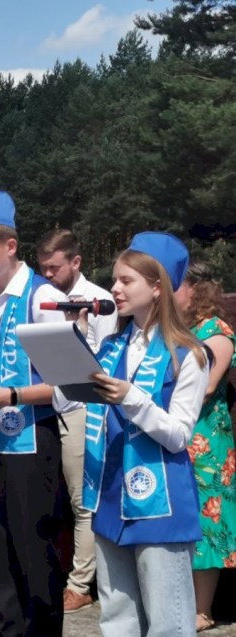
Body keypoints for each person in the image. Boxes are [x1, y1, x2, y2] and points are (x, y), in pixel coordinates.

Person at [56, 231, 209, 636]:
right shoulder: (110, 346)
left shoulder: (190, 354)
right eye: (115, 280)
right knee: (117, 618)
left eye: (126, 280)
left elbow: (178, 435)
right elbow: (67, 399)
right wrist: (72, 345)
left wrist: (132, 398)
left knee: (168, 621)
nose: (115, 289)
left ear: (157, 287)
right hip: (109, 495)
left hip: (160, 503)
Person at [0, 191, 67, 636]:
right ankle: (8, 628)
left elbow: (70, 385)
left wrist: (12, 395)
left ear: (10, 245)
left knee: (33, 545)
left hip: (30, 440)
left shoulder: (43, 298)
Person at [36, 228, 118, 613]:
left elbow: (106, 364)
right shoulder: (43, 301)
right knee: (56, 500)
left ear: (76, 261)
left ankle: (80, 585)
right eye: (43, 268)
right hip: (47, 408)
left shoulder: (100, 302)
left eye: (54, 267)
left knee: (82, 500)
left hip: (83, 411)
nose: (48, 274)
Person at [174, 262, 236, 633]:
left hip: (206, 443)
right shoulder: (179, 329)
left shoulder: (217, 332)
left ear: (195, 289)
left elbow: (207, 387)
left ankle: (202, 610)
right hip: (178, 435)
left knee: (207, 524)